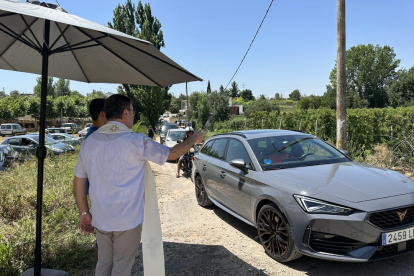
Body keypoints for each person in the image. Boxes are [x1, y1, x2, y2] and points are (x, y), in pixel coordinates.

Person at [73, 94, 203, 276]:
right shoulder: (136, 141)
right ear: (126, 112)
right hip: (127, 220)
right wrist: (193, 139)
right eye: (133, 112)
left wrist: (84, 212)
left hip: (101, 218)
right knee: (121, 267)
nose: (133, 116)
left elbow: (79, 179)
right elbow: (172, 154)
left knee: (103, 264)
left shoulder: (89, 143)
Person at [82, 98, 108, 263]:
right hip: (100, 199)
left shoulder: (90, 137)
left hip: (98, 198)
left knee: (102, 243)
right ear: (102, 114)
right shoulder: (96, 139)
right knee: (102, 244)